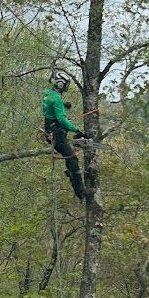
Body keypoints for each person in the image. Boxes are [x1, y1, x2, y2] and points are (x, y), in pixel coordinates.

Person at [42, 70, 88, 201]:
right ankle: (80, 192)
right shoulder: (56, 99)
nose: (66, 88)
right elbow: (62, 119)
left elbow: (52, 104)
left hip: (50, 130)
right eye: (66, 85)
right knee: (73, 159)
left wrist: (63, 104)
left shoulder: (47, 94)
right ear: (60, 84)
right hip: (57, 135)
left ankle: (71, 172)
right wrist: (76, 130)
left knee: (70, 158)